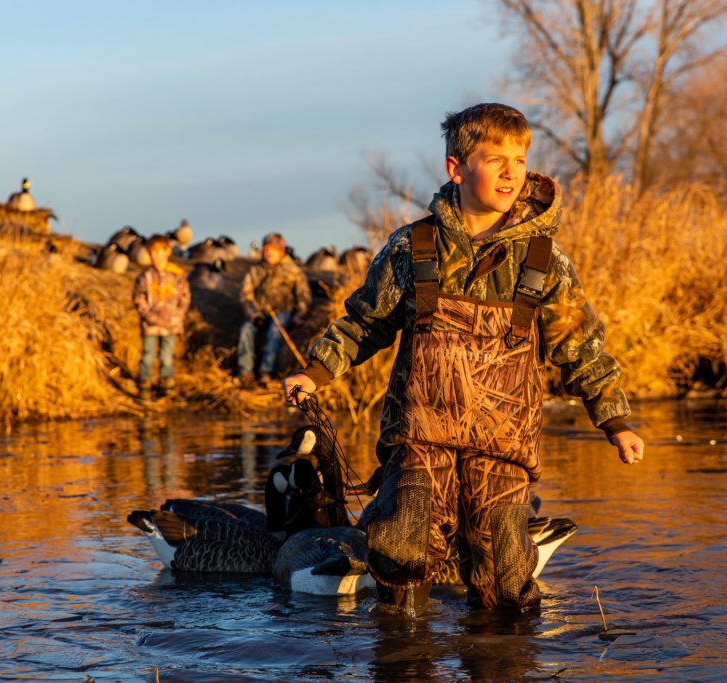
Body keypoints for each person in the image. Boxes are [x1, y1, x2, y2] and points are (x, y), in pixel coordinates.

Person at [283, 103, 645, 613]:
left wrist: (616, 422)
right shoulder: (413, 247)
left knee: (505, 581)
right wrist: (315, 371)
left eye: (519, 159)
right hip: (420, 436)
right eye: (494, 158)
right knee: (402, 549)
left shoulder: (544, 260)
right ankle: (403, 653)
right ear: (456, 168)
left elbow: (581, 347)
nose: (509, 171)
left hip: (503, 447)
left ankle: (503, 654)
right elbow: (366, 322)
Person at [238, 232, 311, 385]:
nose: (268, 252)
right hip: (261, 313)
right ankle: (245, 372)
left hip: (283, 312)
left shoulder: (293, 271)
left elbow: (303, 296)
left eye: (272, 249)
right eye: (265, 249)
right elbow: (245, 294)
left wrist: (299, 315)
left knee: (275, 330)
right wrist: (254, 314)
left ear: (281, 251)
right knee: (246, 330)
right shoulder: (255, 270)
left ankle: (266, 371)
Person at [133, 234, 190, 400]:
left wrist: (177, 316)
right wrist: (147, 315)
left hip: (171, 324)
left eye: (159, 252)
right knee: (148, 354)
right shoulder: (145, 276)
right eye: (152, 253)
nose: (156, 256)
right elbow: (138, 298)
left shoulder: (178, 275)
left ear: (168, 252)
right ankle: (145, 383)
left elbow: (185, 298)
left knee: (167, 355)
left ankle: (166, 384)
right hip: (150, 325)